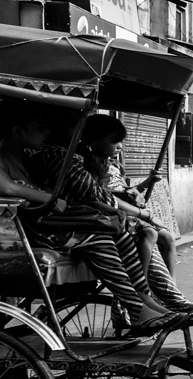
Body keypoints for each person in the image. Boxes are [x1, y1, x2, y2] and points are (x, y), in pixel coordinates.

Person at [0, 108, 183, 334]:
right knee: (99, 239)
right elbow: (6, 187)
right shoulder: (35, 156)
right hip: (26, 231)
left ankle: (143, 298)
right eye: (39, 129)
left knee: (119, 234)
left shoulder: (25, 156)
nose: (45, 133)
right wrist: (48, 197)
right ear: (17, 131)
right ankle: (137, 308)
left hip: (47, 224)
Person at [78, 114, 180, 276]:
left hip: (128, 209)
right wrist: (142, 211)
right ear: (95, 141)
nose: (120, 146)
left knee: (168, 238)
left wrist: (147, 182)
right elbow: (98, 195)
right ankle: (141, 282)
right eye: (114, 141)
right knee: (149, 234)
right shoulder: (89, 166)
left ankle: (173, 287)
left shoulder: (114, 165)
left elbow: (128, 192)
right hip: (114, 213)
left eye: (121, 141)